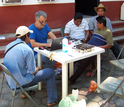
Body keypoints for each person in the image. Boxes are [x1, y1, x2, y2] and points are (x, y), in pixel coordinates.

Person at [4, 26, 58, 107]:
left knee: (22, 67)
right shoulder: (27, 50)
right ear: (26, 36)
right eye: (29, 36)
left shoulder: (8, 46)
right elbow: (32, 72)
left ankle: (25, 93)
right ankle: (52, 100)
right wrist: (37, 69)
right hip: (19, 83)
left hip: (10, 80)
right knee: (50, 72)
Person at [69, 16, 113, 84]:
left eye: (97, 23)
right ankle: (65, 74)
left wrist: (98, 47)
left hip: (95, 51)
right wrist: (87, 44)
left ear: (101, 24)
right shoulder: (97, 30)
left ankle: (71, 80)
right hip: (88, 47)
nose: (96, 24)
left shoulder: (108, 32)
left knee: (84, 63)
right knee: (73, 57)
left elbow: (110, 45)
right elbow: (93, 39)